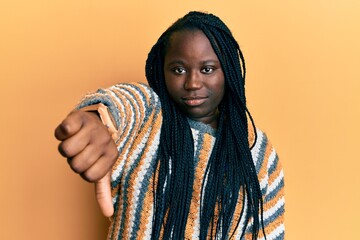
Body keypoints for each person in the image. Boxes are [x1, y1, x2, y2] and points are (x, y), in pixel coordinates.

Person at [55, 11, 285, 240]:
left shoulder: (256, 150)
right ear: (161, 69)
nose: (192, 83)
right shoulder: (149, 114)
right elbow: (121, 104)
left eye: (207, 69)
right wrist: (98, 119)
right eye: (178, 70)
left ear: (229, 71)